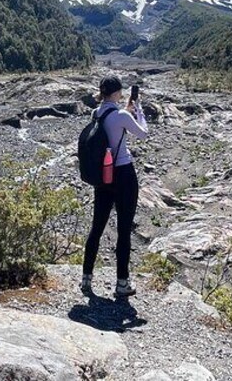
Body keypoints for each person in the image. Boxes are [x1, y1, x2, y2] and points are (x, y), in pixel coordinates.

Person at [81, 75, 149, 297]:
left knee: (97, 227)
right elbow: (143, 133)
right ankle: (122, 283)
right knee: (123, 230)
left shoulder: (96, 113)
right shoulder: (121, 115)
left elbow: (111, 128)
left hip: (103, 175)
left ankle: (86, 278)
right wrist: (138, 110)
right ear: (117, 92)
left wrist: (127, 112)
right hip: (123, 174)